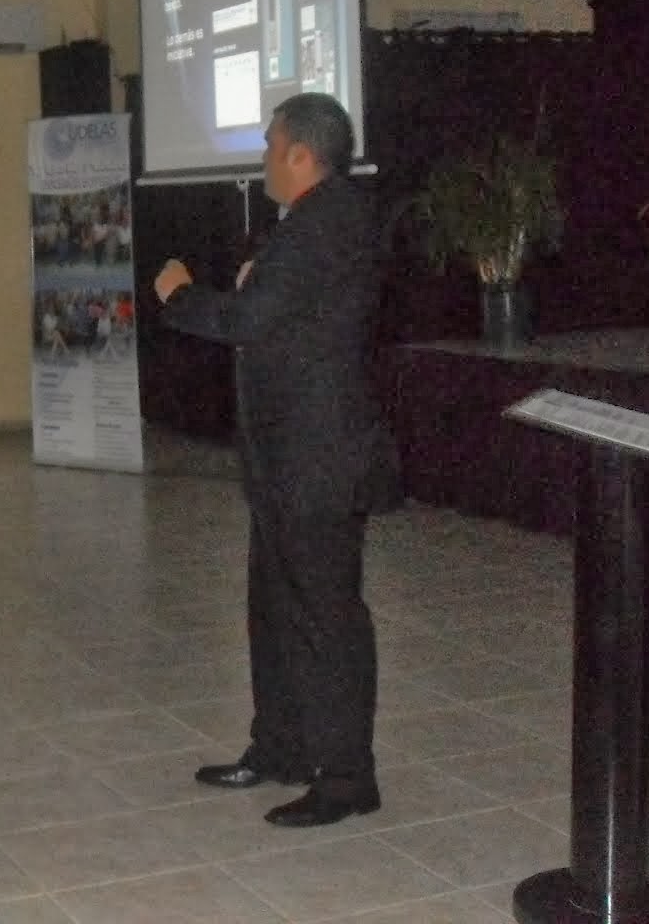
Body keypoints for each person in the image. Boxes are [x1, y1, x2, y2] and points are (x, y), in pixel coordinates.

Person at [153, 92, 393, 828]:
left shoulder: (323, 225)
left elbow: (248, 322)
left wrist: (179, 294)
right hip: (287, 458)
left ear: (299, 154)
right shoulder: (316, 225)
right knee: (275, 610)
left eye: (267, 146)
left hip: (316, 461)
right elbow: (284, 319)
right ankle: (282, 746)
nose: (261, 159)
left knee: (324, 617)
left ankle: (348, 776)